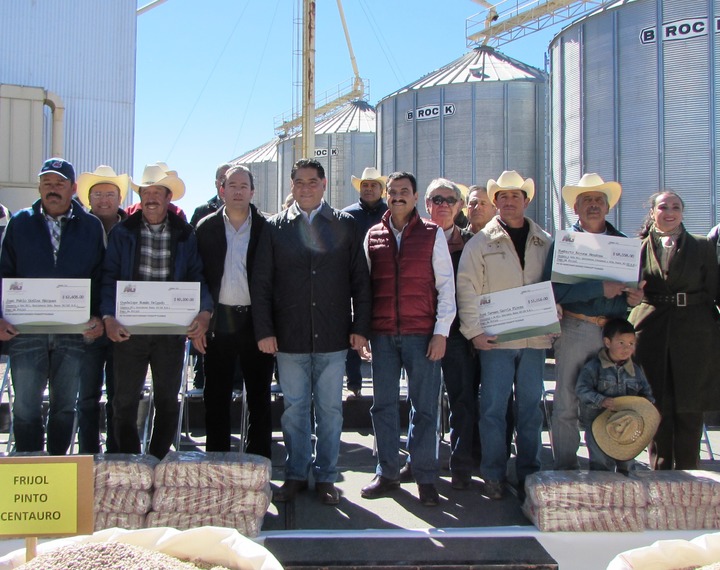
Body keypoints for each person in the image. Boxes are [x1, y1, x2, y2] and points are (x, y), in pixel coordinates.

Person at [251, 158, 371, 505]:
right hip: (289, 338)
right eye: (299, 182)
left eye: (312, 182)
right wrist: (265, 330)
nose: (305, 188)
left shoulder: (345, 225)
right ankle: (295, 474)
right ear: (292, 187)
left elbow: (360, 281)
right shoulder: (274, 229)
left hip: (334, 336)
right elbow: (261, 284)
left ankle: (326, 478)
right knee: (295, 410)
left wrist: (360, 327)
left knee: (331, 411)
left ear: (324, 185)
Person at [100, 164, 213, 459]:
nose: (151, 198)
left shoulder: (185, 235)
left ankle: (157, 458)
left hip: (169, 334)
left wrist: (204, 311)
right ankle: (130, 458)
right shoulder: (122, 232)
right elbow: (109, 277)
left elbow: (197, 276)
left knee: (167, 400)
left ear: (168, 198)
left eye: (157, 193)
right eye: (146, 192)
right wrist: (108, 317)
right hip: (128, 331)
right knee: (123, 401)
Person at [360, 171, 455, 507]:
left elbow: (446, 287)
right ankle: (387, 472)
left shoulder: (432, 234)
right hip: (383, 336)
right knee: (383, 406)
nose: (398, 196)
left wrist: (441, 332)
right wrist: (364, 331)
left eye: (405, 191)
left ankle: (424, 475)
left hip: (422, 335)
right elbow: (364, 289)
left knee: (425, 409)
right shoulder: (373, 235)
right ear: (386, 195)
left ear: (416, 198)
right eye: (393, 191)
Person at [457, 170, 552, 500]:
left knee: (530, 410)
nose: (510, 201)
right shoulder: (481, 243)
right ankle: (493, 474)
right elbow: (466, 287)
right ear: (495, 202)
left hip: (535, 340)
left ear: (526, 200)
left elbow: (556, 288)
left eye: (516, 196)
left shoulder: (545, 241)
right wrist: (473, 332)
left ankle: (529, 473)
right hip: (495, 341)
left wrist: (553, 324)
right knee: (493, 409)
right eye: (503, 196)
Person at [0, 158, 105, 455]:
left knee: (64, 407)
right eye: (47, 183)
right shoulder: (20, 223)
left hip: (72, 332)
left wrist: (98, 315)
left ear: (73, 189)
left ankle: (58, 469)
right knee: (25, 408)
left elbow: (99, 276)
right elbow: (3, 271)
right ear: (39, 187)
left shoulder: (91, 226)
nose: (53, 189)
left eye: (60, 184)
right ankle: (29, 466)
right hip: (26, 330)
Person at [544, 173, 644, 470]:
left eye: (598, 200)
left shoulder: (625, 245)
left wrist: (632, 299)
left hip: (612, 333)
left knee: (607, 401)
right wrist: (597, 289)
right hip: (576, 328)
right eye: (586, 200)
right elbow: (552, 290)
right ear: (576, 208)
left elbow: (629, 292)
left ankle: (602, 469)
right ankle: (565, 467)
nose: (593, 205)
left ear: (608, 207)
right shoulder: (564, 243)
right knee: (567, 400)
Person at [629, 191, 720, 469]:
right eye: (663, 207)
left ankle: (690, 476)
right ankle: (660, 475)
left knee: (691, 407)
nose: (670, 212)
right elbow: (626, 290)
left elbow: (715, 289)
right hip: (651, 330)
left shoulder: (703, 246)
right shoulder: (637, 248)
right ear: (653, 212)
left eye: (676, 207)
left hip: (695, 332)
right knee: (656, 405)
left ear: (682, 212)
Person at [195, 165, 274, 458]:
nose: (238, 190)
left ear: (252, 192)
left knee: (259, 397)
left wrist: (272, 327)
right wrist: (200, 319)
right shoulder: (206, 228)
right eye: (232, 185)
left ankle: (259, 464)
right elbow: (197, 276)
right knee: (215, 396)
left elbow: (275, 279)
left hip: (257, 322)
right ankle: (217, 464)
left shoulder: (267, 228)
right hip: (219, 320)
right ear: (221, 190)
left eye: (244, 186)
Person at [423, 178, 476, 489]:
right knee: (423, 403)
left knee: (462, 400)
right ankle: (421, 463)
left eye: (449, 200)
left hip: (458, 334)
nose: (443, 205)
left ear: (459, 207)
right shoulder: (416, 238)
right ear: (427, 204)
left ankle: (461, 465)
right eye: (436, 199)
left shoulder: (472, 243)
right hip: (422, 331)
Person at [75, 165, 131, 453]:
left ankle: (116, 454)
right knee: (86, 397)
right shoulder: (78, 230)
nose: (104, 200)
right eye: (97, 194)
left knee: (119, 397)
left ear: (120, 197)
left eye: (110, 194)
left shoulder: (131, 230)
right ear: (88, 198)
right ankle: (87, 455)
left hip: (123, 324)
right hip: (86, 325)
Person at [576, 318, 655, 472]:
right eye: (621, 343)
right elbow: (581, 390)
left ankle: (625, 494)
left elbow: (647, 394)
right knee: (600, 465)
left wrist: (642, 405)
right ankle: (603, 495)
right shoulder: (594, 367)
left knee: (627, 465)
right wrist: (601, 400)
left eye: (631, 344)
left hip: (627, 426)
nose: (626, 349)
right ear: (607, 342)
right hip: (598, 425)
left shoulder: (636, 371)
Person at [341, 167, 388, 398]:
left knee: (381, 334)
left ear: (382, 189)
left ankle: (382, 385)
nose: (368, 189)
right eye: (365, 185)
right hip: (351, 281)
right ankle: (354, 383)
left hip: (383, 280)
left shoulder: (391, 213)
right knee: (353, 329)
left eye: (373, 185)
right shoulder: (346, 216)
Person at [190, 163, 231, 227]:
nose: (225, 182)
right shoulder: (201, 212)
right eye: (222, 178)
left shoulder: (247, 212)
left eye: (229, 178)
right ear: (216, 183)